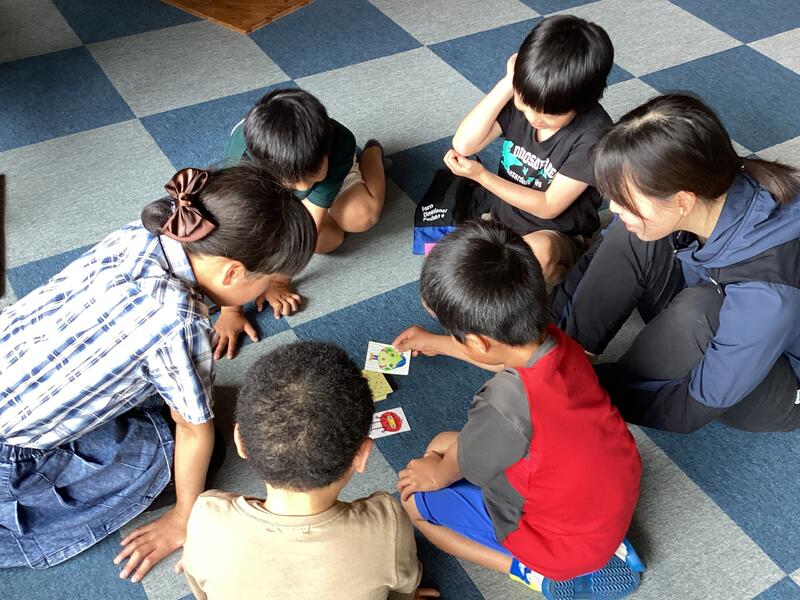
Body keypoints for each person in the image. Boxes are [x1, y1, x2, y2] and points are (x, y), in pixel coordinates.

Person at [0, 164, 316, 583]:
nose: (267, 290)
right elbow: (192, 429)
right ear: (233, 272)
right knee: (197, 450)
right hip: (12, 456)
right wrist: (185, 515)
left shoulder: (148, 231)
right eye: (268, 281)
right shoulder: (179, 322)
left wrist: (236, 300)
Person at [393, 222, 644, 600]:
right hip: (608, 502)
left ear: (478, 342)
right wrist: (441, 343)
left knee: (415, 501)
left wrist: (435, 474)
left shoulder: (504, 403)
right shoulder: (558, 341)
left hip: (559, 546)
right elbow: (504, 355)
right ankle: (603, 546)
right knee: (445, 442)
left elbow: (467, 466)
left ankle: (528, 571)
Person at [552, 93, 800, 434]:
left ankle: (572, 389)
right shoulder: (710, 182)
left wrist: (584, 397)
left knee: (699, 310)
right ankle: (560, 357)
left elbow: (688, 411)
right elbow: (606, 252)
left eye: (624, 199)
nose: (615, 207)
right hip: (720, 300)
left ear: (683, 200)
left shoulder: (768, 293)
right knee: (631, 232)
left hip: (779, 383)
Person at [180, 341, 437, 600]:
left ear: (240, 441)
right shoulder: (386, 524)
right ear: (362, 456)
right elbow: (405, 588)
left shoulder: (206, 515)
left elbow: (201, 590)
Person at [215, 88, 388, 358]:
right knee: (329, 240)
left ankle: (372, 155)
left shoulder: (338, 141)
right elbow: (232, 238)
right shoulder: (241, 165)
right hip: (268, 180)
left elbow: (310, 226)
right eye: (295, 181)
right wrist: (230, 309)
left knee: (360, 218)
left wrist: (279, 280)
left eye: (312, 174)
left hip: (326, 172)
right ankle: (303, 182)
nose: (304, 186)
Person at [445, 15, 613, 286]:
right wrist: (508, 83)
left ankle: (564, 277)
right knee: (455, 269)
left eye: (549, 115)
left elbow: (548, 207)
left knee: (537, 255)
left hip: (558, 234)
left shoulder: (594, 133)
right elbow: (465, 144)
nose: (534, 118)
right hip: (502, 221)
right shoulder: (527, 95)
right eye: (525, 104)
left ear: (582, 104)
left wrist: (482, 177)